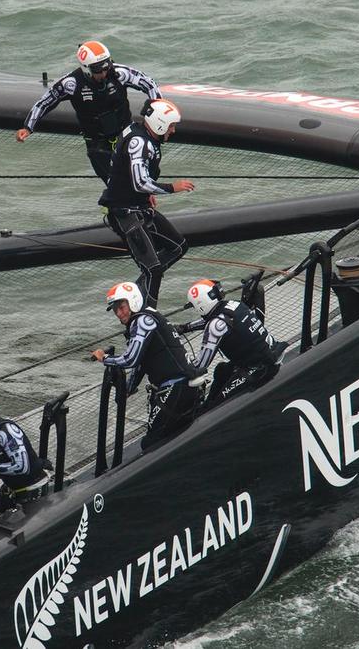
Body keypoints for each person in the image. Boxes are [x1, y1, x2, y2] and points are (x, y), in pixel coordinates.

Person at [16, 40, 163, 183]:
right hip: (97, 144)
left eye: (107, 66)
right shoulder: (71, 83)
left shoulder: (120, 73)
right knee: (116, 185)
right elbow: (44, 103)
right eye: (98, 70)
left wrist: (157, 113)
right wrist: (28, 127)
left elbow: (150, 84)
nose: (104, 73)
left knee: (144, 177)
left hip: (126, 136)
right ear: (86, 68)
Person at [98, 98, 196, 308]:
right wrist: (172, 187)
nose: (173, 131)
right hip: (126, 214)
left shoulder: (142, 134)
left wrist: (145, 196)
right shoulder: (139, 142)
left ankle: (136, 292)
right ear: (159, 123)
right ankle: (147, 315)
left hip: (140, 206)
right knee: (154, 270)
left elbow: (129, 176)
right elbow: (140, 182)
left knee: (178, 247)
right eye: (171, 126)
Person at [92, 282, 200, 451]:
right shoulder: (147, 316)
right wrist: (129, 388)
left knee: (150, 444)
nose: (119, 314)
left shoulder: (142, 321)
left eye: (122, 307)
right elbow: (142, 362)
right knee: (166, 434)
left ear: (133, 300)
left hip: (176, 388)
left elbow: (131, 359)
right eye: (116, 311)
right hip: (182, 386)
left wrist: (104, 358)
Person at [180, 279, 287, 408]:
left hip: (261, 368)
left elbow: (201, 365)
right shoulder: (233, 304)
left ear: (200, 305)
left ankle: (207, 408)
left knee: (215, 406)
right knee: (221, 371)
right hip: (270, 353)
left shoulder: (216, 325)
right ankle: (207, 404)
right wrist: (184, 328)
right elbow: (215, 321)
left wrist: (182, 368)